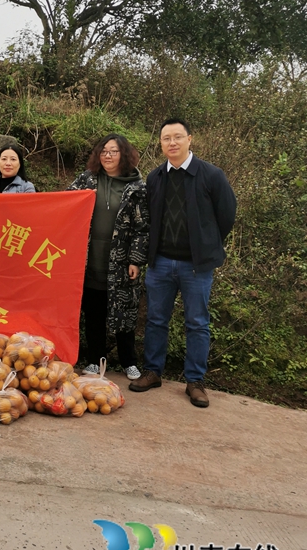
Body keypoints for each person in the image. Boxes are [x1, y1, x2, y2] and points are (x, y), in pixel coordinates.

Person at [129, 118, 237, 407]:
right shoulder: (155, 178)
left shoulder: (211, 175)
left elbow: (226, 215)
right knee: (155, 320)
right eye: (166, 138)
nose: (172, 143)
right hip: (161, 263)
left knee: (198, 323)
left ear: (190, 139)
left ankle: (195, 381)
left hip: (195, 266)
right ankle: (153, 371)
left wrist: (206, 244)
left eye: (178, 137)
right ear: (161, 143)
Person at [68, 134, 149, 380]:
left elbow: (142, 227)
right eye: (103, 151)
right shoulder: (87, 179)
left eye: (113, 152)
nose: (107, 156)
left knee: (124, 310)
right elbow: (64, 203)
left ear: (124, 155)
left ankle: (128, 361)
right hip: (90, 257)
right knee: (93, 311)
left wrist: (135, 258)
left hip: (121, 261)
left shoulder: (136, 187)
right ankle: (94, 360)